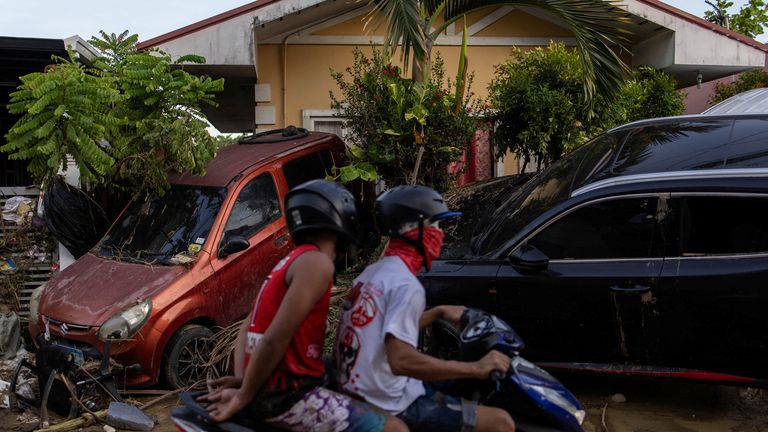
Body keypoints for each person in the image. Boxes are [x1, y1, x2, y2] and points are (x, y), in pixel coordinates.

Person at [202, 179, 407, 432]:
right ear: (340, 219)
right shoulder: (318, 264)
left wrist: (246, 380)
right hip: (289, 395)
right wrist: (244, 394)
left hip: (270, 388)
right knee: (396, 428)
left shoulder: (289, 262)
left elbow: (247, 328)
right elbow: (274, 339)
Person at [335, 185, 515, 432]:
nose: (440, 235)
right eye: (435, 226)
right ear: (414, 230)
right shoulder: (405, 285)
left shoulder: (373, 274)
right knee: (501, 422)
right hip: (389, 400)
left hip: (364, 387)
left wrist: (437, 313)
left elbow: (381, 331)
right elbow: (401, 360)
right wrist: (477, 368)